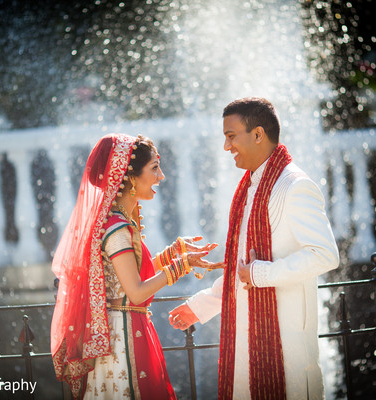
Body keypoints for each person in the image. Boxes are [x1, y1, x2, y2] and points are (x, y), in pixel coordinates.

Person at [169, 97, 340, 399]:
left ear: (258, 134)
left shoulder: (295, 185)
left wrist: (261, 274)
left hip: (285, 347)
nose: (226, 146)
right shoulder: (250, 187)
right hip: (246, 344)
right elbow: (242, 270)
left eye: (231, 136)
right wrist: (203, 305)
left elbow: (324, 254)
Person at [50, 133, 224, 399]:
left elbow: (123, 277)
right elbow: (136, 292)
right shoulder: (117, 228)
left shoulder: (117, 222)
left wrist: (172, 255)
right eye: (154, 168)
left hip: (129, 327)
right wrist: (181, 265)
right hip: (124, 339)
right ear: (130, 177)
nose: (161, 176)